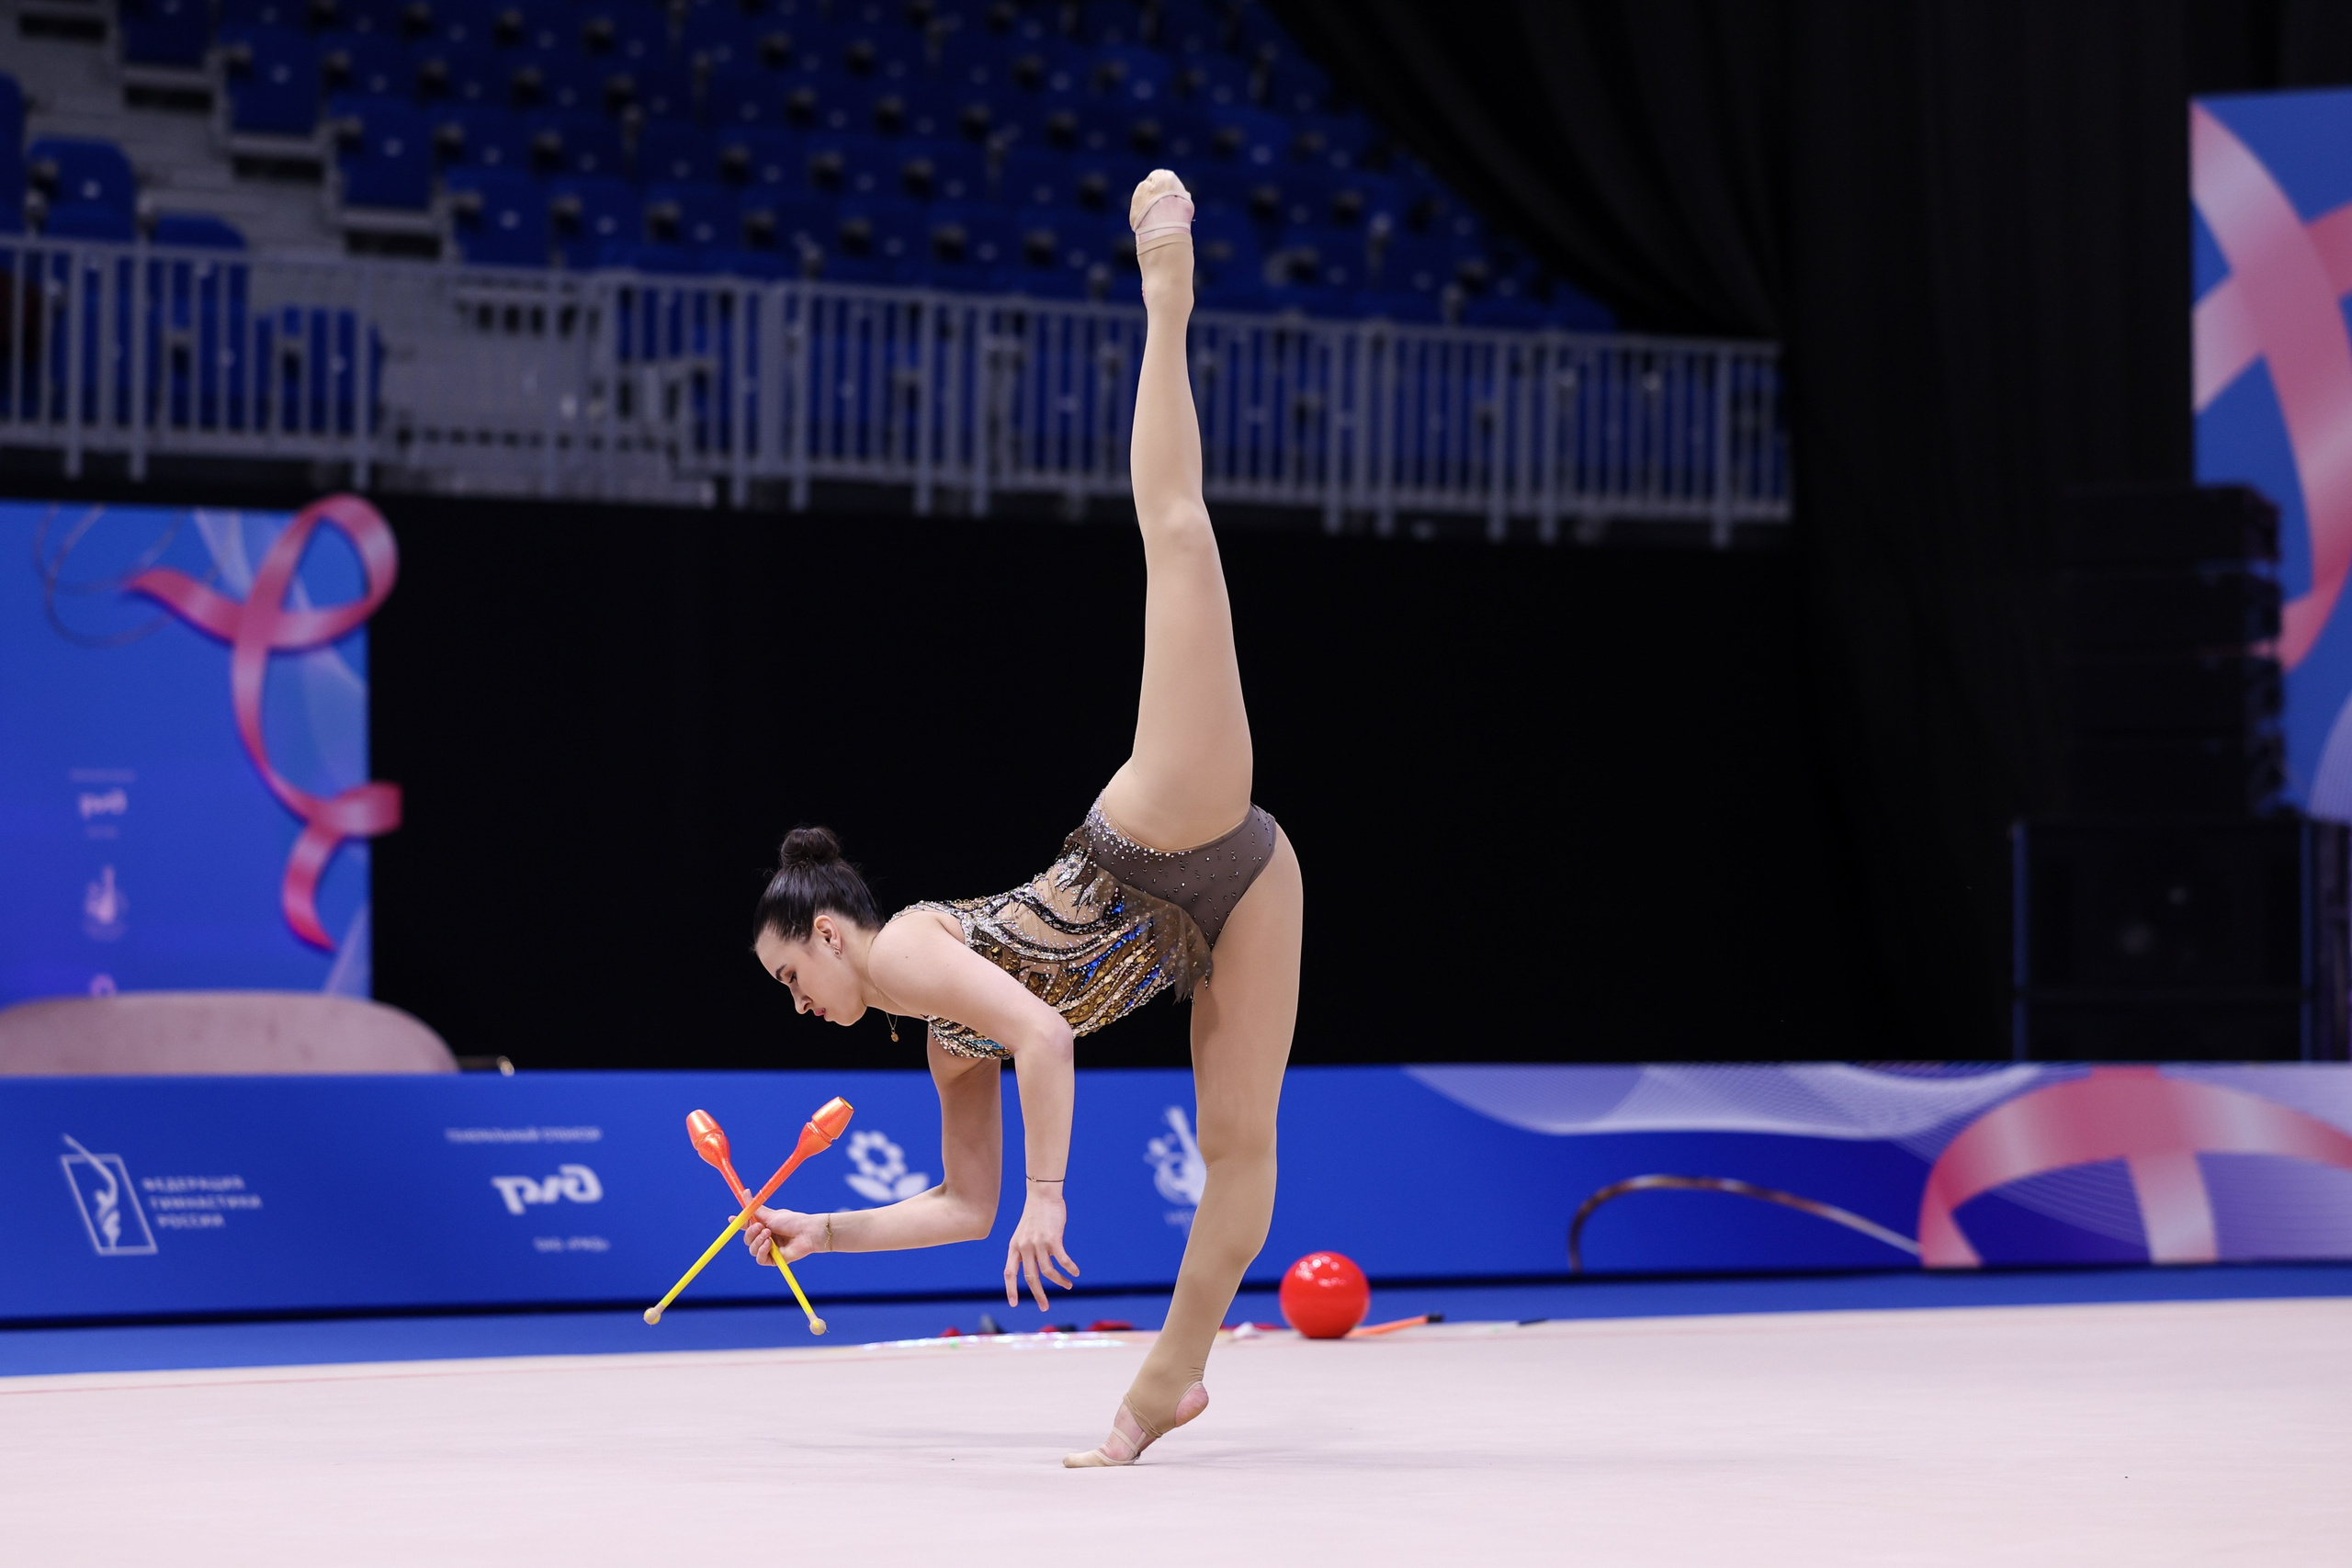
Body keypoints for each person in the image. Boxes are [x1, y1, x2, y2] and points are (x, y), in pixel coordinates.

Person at [740, 170, 1304, 1468]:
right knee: (1238, 1153)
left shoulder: (907, 948)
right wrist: (824, 1233)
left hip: (1158, 834)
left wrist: (1050, 1197)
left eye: (790, 977)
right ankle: (1165, 1387)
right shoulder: (940, 1037)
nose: (799, 1004)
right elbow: (962, 1204)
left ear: (830, 935)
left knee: (1180, 540)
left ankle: (1167, 295)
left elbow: (1045, 1038)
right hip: (1241, 896)